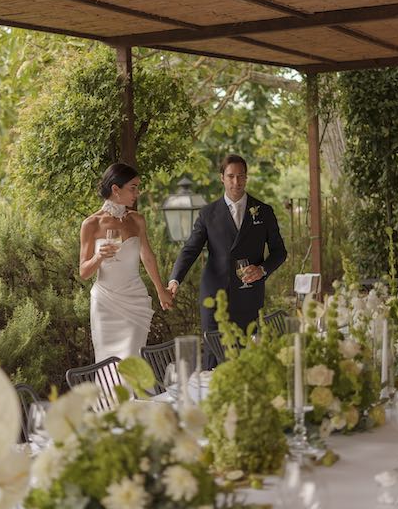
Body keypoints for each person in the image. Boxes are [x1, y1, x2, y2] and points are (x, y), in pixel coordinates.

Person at [168, 153, 287, 338]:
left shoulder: (264, 211)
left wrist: (262, 270)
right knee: (215, 357)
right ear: (222, 178)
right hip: (215, 297)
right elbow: (191, 249)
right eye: (231, 176)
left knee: (247, 353)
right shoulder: (208, 213)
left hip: (248, 295)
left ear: (246, 178)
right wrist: (175, 279)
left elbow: (279, 252)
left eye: (241, 176)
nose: (236, 182)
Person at [79, 163, 173, 362]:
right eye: (133, 187)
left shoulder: (137, 220)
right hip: (105, 303)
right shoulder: (91, 224)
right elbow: (84, 272)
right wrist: (98, 257)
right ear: (115, 189)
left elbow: (147, 256)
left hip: (135, 299)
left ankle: (135, 394)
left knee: (133, 361)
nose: (137, 193)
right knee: (108, 363)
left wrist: (160, 289)